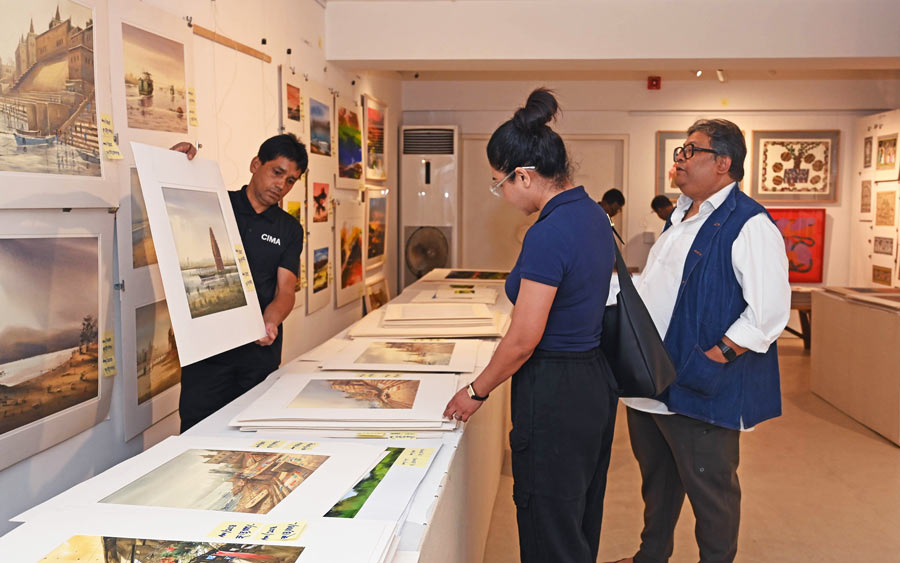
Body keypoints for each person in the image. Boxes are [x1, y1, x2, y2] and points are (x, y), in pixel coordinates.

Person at [443, 88, 618, 563]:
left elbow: (524, 338)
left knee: (547, 526)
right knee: (578, 516)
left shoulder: (549, 232)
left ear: (524, 175)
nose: (500, 193)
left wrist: (475, 392)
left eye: (499, 182)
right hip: (593, 382)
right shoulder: (592, 215)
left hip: (556, 389)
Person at [607, 119, 789, 563]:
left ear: (723, 163)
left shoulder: (749, 224)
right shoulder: (680, 215)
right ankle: (651, 556)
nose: (680, 160)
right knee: (658, 481)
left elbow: (768, 311)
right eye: (679, 151)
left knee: (711, 492)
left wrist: (717, 355)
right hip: (651, 381)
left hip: (699, 383)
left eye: (691, 151)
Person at [170, 134, 308, 432]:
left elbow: (286, 289)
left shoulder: (289, 229)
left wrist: (270, 320)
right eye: (277, 173)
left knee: (250, 440)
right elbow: (173, 200)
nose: (281, 186)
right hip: (207, 354)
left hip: (258, 356)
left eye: (291, 181)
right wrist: (175, 163)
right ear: (255, 164)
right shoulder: (217, 203)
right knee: (197, 436)